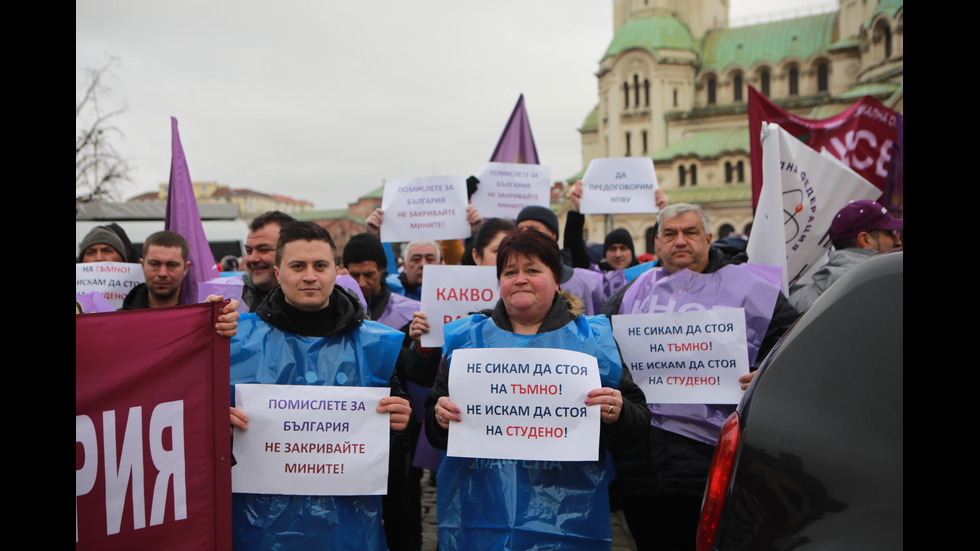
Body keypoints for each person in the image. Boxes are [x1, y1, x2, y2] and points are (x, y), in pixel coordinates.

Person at [413, 229, 650, 549]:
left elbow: (637, 424)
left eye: (533, 270)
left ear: (556, 279)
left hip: (566, 522)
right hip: (482, 518)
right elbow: (434, 426)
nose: (520, 279)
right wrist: (439, 417)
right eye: (510, 272)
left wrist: (618, 414)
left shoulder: (593, 341)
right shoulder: (468, 340)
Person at [601, 203, 798, 551]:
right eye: (670, 234)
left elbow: (795, 346)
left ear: (708, 239)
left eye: (690, 232)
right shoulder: (629, 295)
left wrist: (768, 374)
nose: (680, 241)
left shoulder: (752, 289)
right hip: (644, 469)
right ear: (657, 243)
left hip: (714, 460)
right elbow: (602, 356)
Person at [228, 221, 412, 550]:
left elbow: (393, 424)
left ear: (335, 271)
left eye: (320, 266)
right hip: (260, 528)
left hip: (348, 527)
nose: (310, 276)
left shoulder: (373, 344)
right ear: (278, 271)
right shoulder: (238, 340)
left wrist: (399, 421)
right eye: (298, 266)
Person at [342, 232, 424, 551]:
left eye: (369, 274)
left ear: (383, 271)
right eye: (354, 274)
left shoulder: (408, 312)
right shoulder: (336, 306)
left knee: (402, 506)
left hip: (400, 423)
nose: (362, 282)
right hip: (352, 427)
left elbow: (415, 369)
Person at [789, 199, 903, 313]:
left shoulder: (797, 300)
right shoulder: (891, 287)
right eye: (889, 233)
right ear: (865, 239)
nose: (898, 241)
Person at [121, 230, 240, 336]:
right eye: (154, 264)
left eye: (172, 265)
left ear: (186, 268)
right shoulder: (120, 320)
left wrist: (215, 318)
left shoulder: (203, 319)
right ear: (142, 265)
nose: (162, 273)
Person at [515, 205, 606, 315]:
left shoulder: (588, 281)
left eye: (532, 229)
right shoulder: (508, 281)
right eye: (520, 230)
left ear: (552, 235)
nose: (524, 234)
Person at [242, 210, 296, 310]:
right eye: (248, 251)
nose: (252, 258)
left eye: (263, 250)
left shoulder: (325, 303)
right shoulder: (233, 301)